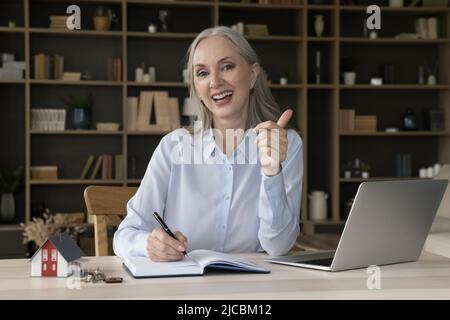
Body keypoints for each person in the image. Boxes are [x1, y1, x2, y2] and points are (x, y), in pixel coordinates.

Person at [113, 26, 303, 261]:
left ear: (252, 74)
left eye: (227, 67)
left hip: (253, 288)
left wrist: (272, 172)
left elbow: (278, 246)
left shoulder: (285, 143)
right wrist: (149, 245)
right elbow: (124, 235)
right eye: (202, 73)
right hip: (182, 288)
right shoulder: (173, 147)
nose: (215, 82)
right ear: (196, 86)